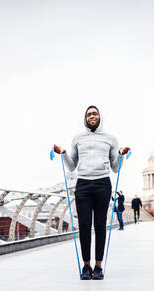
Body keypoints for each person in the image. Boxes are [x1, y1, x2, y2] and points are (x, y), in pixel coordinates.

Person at [54, 105, 130, 280]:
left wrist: (121, 155)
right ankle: (86, 266)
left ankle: (98, 266)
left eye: (95, 113)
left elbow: (115, 168)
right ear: (85, 118)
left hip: (103, 183)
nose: (92, 116)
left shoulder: (110, 138)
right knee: (84, 226)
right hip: (83, 185)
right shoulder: (78, 139)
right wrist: (64, 153)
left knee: (100, 226)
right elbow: (72, 166)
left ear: (100, 117)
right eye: (89, 114)